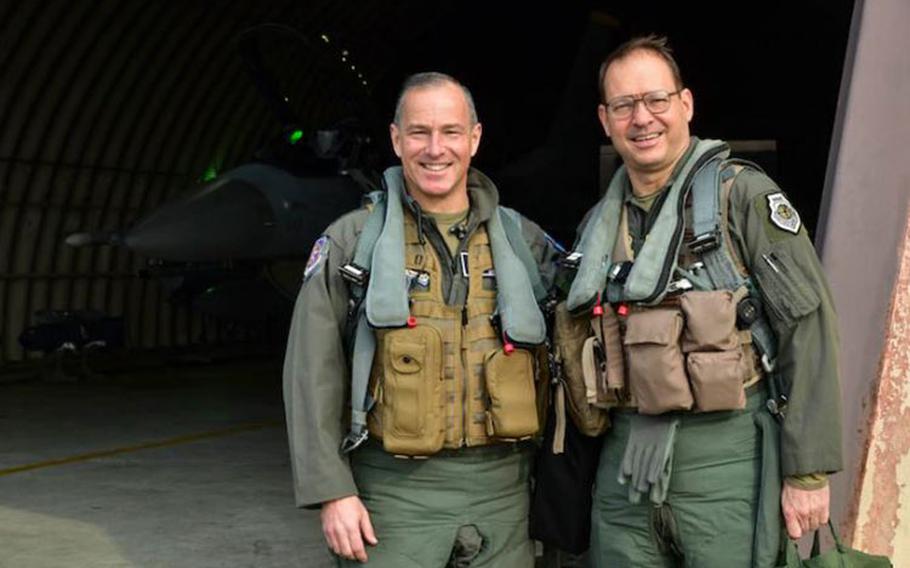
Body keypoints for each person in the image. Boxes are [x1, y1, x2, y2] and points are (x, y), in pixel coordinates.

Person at [556, 36, 843, 567]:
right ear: (605, 120)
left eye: (656, 100)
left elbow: (809, 327)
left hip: (728, 463)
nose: (642, 118)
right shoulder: (595, 230)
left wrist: (807, 472)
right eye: (624, 106)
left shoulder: (744, 199)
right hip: (624, 469)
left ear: (685, 104)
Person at [283, 72, 560, 567]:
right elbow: (311, 373)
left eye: (451, 132)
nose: (436, 149)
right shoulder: (352, 243)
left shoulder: (527, 243)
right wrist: (332, 491)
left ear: (474, 138)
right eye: (419, 132)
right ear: (396, 139)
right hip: (393, 496)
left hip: (506, 496)